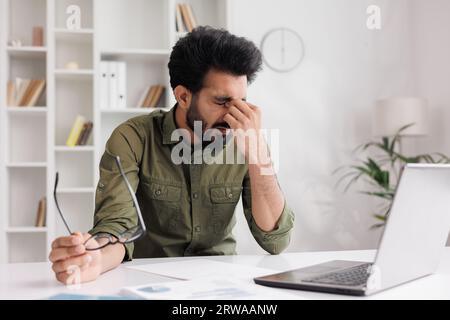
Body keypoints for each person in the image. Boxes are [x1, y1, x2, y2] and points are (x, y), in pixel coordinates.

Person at [49, 26, 295, 284]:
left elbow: (275, 241)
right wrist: (94, 258)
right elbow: (117, 227)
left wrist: (258, 155)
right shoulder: (133, 138)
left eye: (242, 100)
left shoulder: (246, 140)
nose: (234, 115)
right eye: (222, 102)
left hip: (221, 284)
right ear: (184, 96)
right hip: (148, 282)